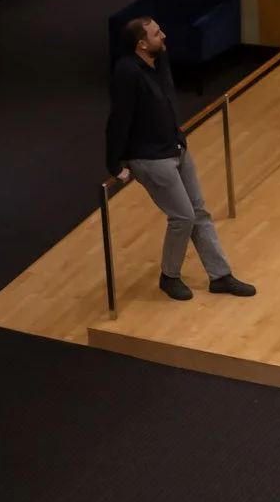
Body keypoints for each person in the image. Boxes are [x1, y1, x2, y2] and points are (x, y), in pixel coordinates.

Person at [106, 17, 256, 301]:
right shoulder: (127, 73)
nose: (163, 35)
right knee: (183, 217)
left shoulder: (159, 61)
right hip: (151, 158)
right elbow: (118, 120)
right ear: (141, 44)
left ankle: (220, 275)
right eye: (156, 33)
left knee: (199, 212)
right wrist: (114, 162)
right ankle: (169, 276)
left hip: (176, 148)